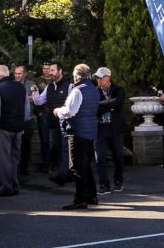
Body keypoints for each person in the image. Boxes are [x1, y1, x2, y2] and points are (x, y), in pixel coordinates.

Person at [53, 63, 100, 209]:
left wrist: (58, 111)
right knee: (86, 165)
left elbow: (70, 111)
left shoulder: (77, 90)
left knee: (77, 167)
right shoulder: (94, 89)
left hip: (77, 132)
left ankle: (80, 199)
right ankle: (91, 195)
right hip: (90, 132)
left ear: (77, 76)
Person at [0, 64, 25, 196]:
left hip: (3, 129)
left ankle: (6, 187)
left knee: (3, 159)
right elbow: (26, 109)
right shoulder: (21, 87)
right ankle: (15, 185)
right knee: (14, 158)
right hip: (18, 128)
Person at [31, 61, 71, 182]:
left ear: (60, 71)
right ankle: (64, 173)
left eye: (53, 70)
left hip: (67, 123)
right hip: (54, 123)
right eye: (49, 70)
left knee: (65, 149)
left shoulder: (69, 86)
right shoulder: (49, 87)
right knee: (59, 148)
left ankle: (64, 175)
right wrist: (34, 91)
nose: (50, 72)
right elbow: (39, 101)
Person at [94, 67, 127, 194]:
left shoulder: (118, 90)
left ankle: (118, 180)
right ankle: (104, 184)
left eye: (100, 77)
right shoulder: (95, 91)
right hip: (101, 128)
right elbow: (95, 107)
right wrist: (108, 106)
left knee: (118, 156)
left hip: (116, 128)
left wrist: (101, 104)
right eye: (97, 77)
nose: (98, 80)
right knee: (100, 156)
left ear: (107, 78)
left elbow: (117, 104)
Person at [13, 64, 34, 169]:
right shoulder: (11, 84)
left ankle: (24, 168)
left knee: (26, 144)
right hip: (15, 119)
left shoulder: (31, 84)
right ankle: (15, 167)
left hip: (28, 119)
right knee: (15, 144)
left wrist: (24, 98)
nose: (17, 76)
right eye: (16, 73)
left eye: (19, 74)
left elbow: (35, 98)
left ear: (25, 74)